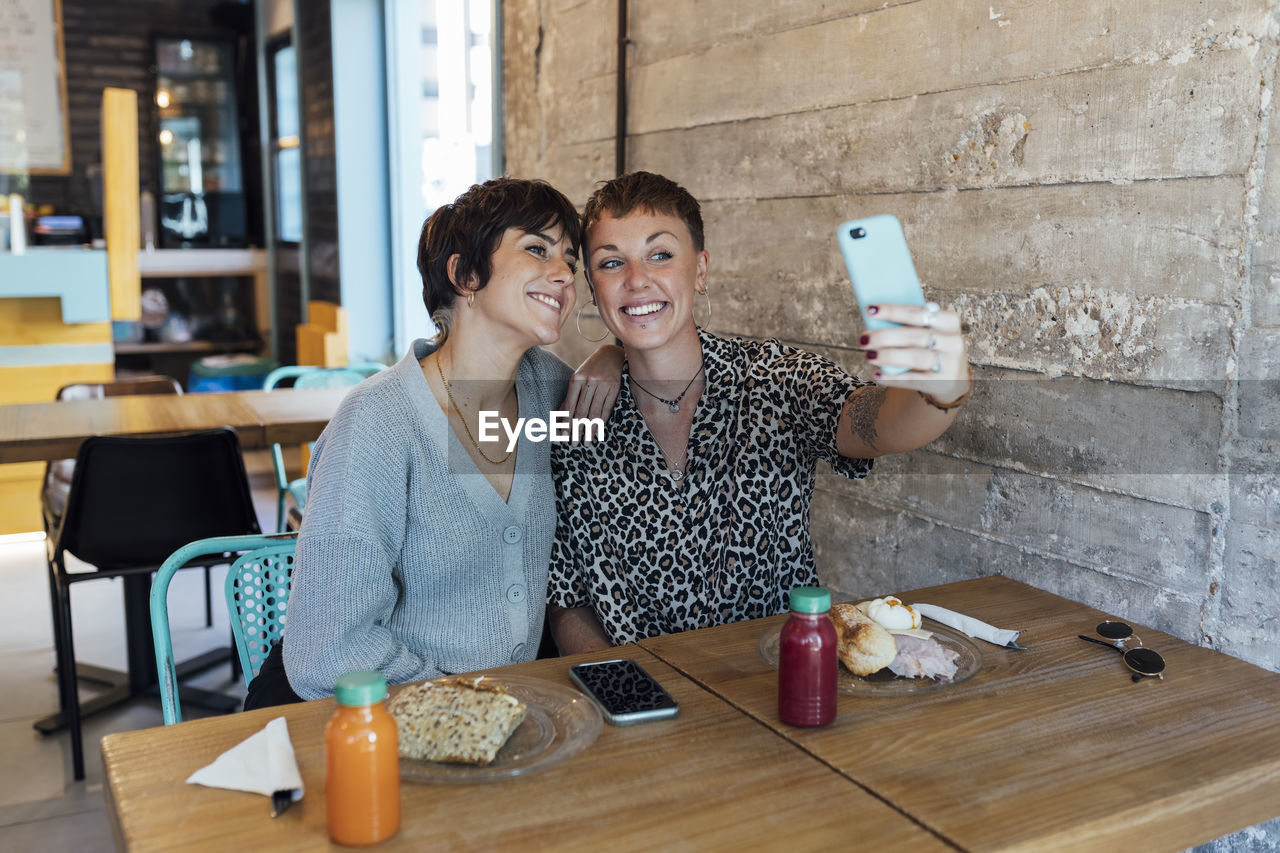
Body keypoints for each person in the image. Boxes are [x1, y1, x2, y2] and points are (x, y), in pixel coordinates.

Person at [548, 171, 974, 653]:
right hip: (641, 705)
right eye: (610, 264)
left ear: (701, 269)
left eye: (660, 255)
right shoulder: (577, 415)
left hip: (772, 687)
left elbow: (874, 425)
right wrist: (625, 694)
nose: (637, 281)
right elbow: (568, 594)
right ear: (591, 284)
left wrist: (940, 388)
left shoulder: (772, 378)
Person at [247, 177, 598, 706]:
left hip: (511, 717)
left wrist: (617, 359)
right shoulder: (378, 424)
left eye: (570, 261)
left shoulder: (550, 391)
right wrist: (466, 705)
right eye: (536, 249)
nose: (563, 275)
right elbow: (328, 649)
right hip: (382, 717)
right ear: (464, 274)